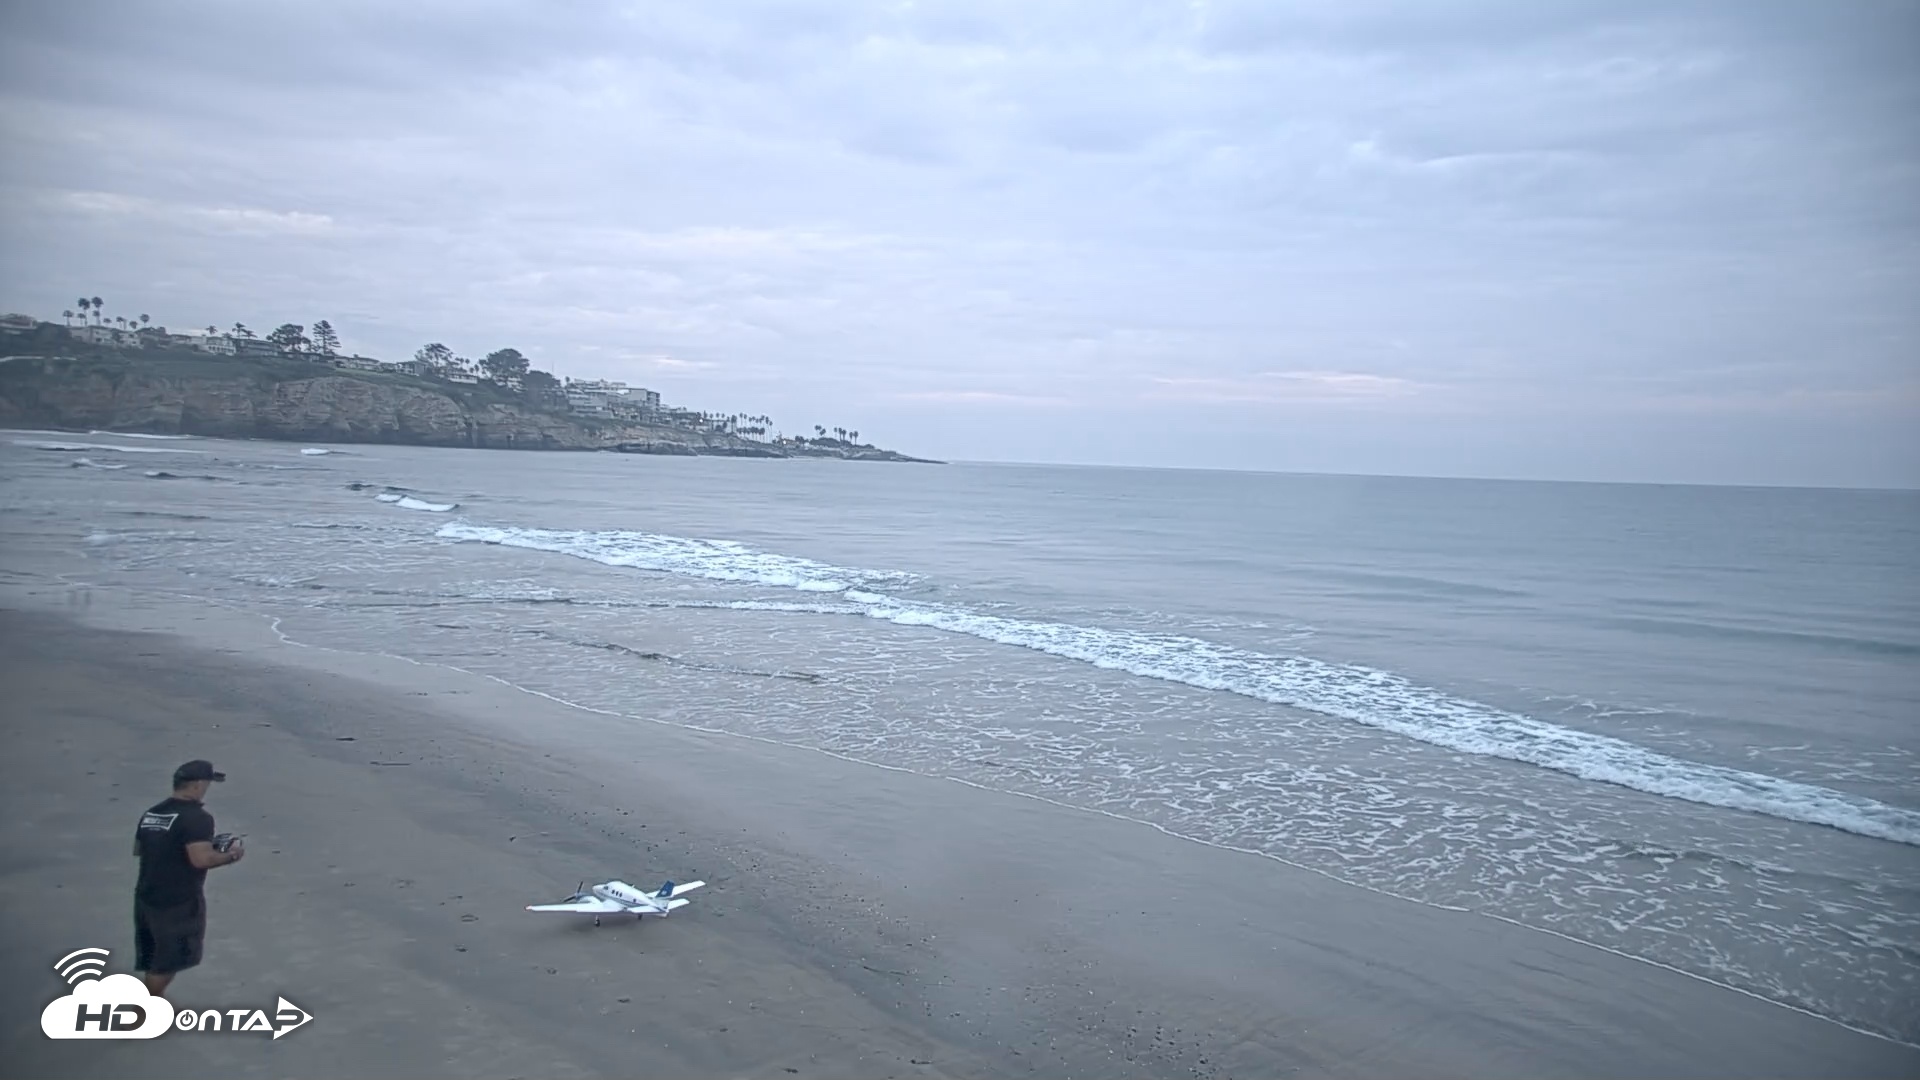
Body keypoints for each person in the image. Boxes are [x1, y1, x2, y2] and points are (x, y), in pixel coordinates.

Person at [132, 759, 244, 997]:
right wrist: (231, 855)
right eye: (207, 783)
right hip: (178, 900)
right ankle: (141, 1014)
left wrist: (191, 845)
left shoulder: (153, 812)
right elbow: (201, 860)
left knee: (155, 956)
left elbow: (139, 849)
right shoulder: (198, 818)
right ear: (197, 785)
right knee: (168, 960)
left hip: (146, 896)